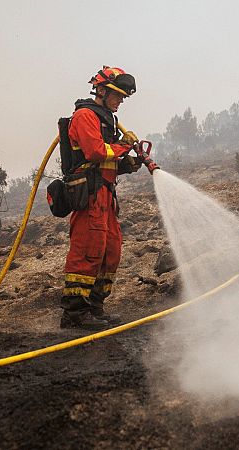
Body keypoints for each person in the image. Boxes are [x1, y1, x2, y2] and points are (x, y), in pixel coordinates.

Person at [59, 66, 142, 330]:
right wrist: (124, 145)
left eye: (123, 98)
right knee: (88, 251)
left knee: (110, 251)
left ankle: (95, 308)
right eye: (117, 96)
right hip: (90, 195)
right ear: (102, 91)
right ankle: (74, 314)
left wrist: (128, 163)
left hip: (106, 195)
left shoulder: (108, 120)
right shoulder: (85, 115)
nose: (120, 102)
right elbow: (96, 152)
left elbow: (108, 160)